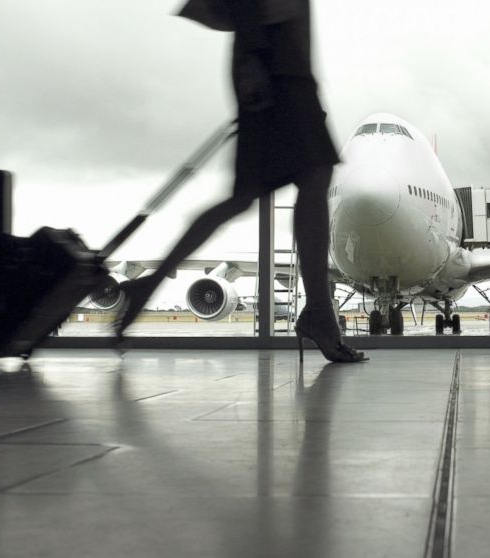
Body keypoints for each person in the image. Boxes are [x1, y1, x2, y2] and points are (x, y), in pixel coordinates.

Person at [115, 0, 365, 363]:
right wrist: (253, 60)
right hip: (274, 68)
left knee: (257, 194)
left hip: (283, 70)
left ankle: (147, 286)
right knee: (300, 183)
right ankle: (319, 316)